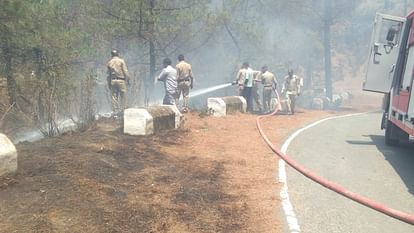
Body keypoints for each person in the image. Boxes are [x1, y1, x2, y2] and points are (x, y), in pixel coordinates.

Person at [107, 49, 130, 116]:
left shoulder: (109, 62)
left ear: (112, 55)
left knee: (114, 97)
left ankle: (115, 112)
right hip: (121, 80)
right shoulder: (121, 61)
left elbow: (108, 75)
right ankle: (123, 110)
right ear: (118, 54)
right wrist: (128, 79)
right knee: (123, 95)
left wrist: (109, 83)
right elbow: (125, 71)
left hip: (113, 81)